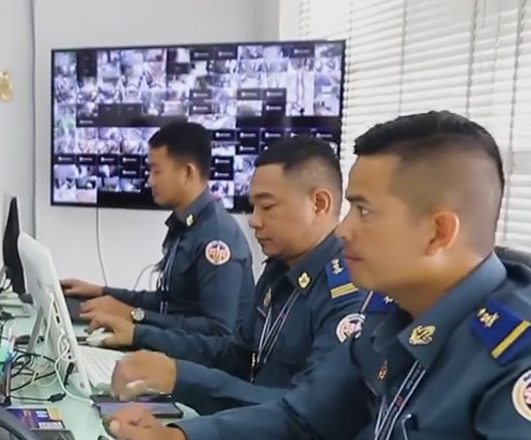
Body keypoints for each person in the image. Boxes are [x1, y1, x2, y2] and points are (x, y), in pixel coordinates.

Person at [104, 112, 531, 440]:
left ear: (438, 231)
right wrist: (182, 437)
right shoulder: (391, 311)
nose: (344, 228)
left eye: (364, 210)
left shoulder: (519, 356)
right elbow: (304, 419)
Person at [92, 137, 362, 414]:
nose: (254, 220)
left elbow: (307, 411)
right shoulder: (279, 270)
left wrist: (179, 379)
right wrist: (145, 340)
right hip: (245, 422)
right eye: (253, 207)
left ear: (319, 204)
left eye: (267, 207)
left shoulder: (349, 293)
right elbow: (233, 355)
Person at [62, 121, 254, 336]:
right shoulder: (186, 224)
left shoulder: (217, 236)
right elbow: (168, 302)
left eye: (156, 170)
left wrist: (134, 315)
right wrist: (101, 292)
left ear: (187, 173)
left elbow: (218, 332)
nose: (150, 180)